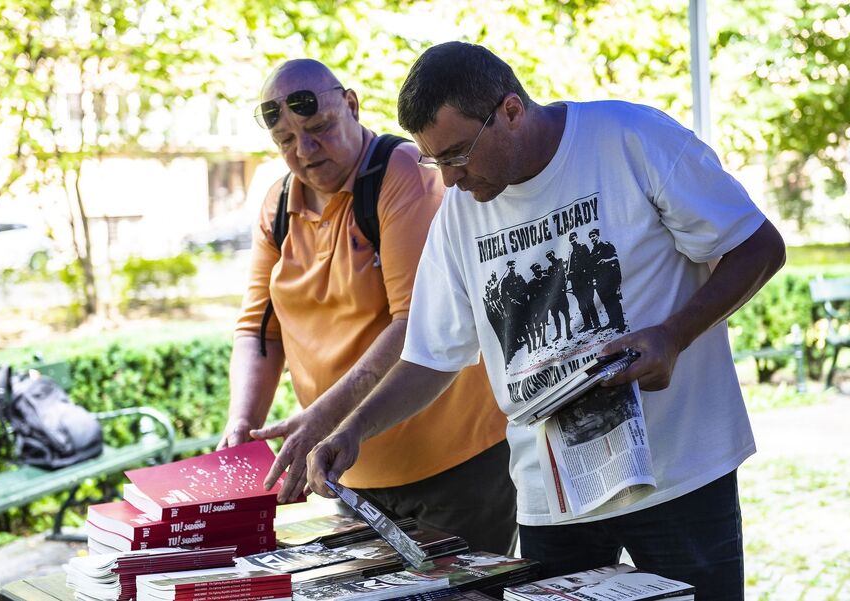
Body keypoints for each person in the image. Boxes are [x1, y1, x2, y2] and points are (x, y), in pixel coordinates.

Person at [305, 42, 786, 600]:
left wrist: (673, 336)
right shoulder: (459, 213)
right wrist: (353, 429)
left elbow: (757, 246)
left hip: (678, 472)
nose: (452, 178)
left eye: (459, 153)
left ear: (511, 110)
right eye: (437, 161)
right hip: (551, 495)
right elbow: (430, 356)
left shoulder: (630, 139)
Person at [220, 58, 516, 554]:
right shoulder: (277, 205)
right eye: (287, 141)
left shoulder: (399, 172)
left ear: (352, 105)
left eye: (318, 128)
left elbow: (414, 322)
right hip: (351, 465)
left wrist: (320, 417)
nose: (305, 151)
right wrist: (240, 428)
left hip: (455, 463)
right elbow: (258, 330)